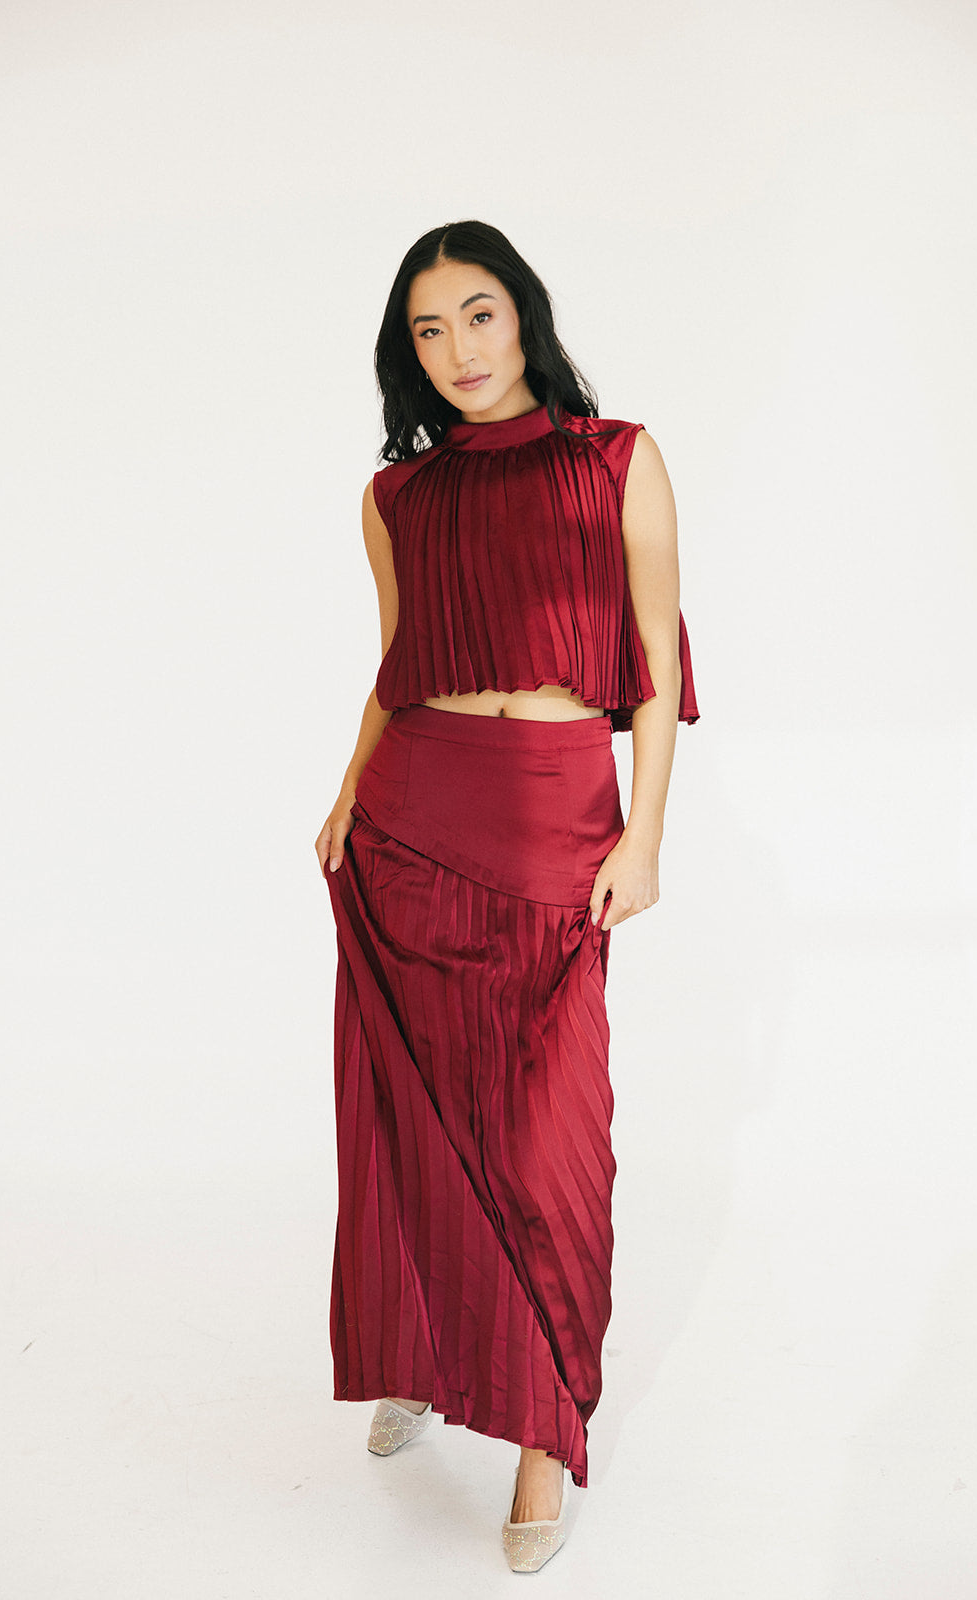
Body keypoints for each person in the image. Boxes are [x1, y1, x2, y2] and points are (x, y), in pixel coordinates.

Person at [315, 219, 699, 1573]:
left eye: (478, 315)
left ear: (524, 316)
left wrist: (644, 834)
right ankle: (425, 1351)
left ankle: (543, 1426)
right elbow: (399, 658)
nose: (459, 350)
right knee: (410, 1109)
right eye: (429, 331)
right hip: (410, 816)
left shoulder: (617, 460)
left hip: (549, 817)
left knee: (545, 1139)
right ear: (407, 354)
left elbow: (652, 660)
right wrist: (347, 793)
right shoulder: (396, 496)